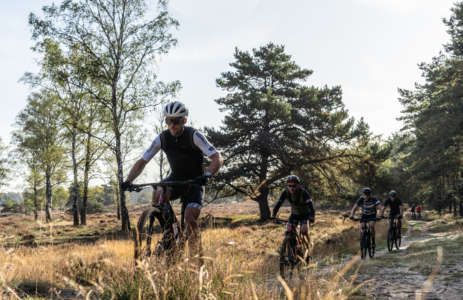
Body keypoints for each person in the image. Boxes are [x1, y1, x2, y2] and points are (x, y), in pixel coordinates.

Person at [121, 101, 223, 257]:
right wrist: (129, 180)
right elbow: (142, 161)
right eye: (168, 120)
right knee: (157, 193)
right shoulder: (163, 138)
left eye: (176, 121)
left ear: (184, 121)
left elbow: (217, 157)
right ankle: (171, 234)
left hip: (195, 182)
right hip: (175, 178)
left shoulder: (193, 135)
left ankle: (197, 261)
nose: (172, 125)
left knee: (190, 218)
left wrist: (207, 175)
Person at [270, 175, 315, 251]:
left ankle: (308, 247)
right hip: (294, 215)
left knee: (303, 231)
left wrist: (312, 217)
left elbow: (311, 206)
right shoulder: (285, 192)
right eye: (289, 186)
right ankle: (289, 255)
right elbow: (278, 205)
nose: (291, 188)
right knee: (288, 232)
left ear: (297, 185)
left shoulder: (304, 192)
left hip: (305, 215)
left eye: (293, 186)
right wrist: (273, 216)